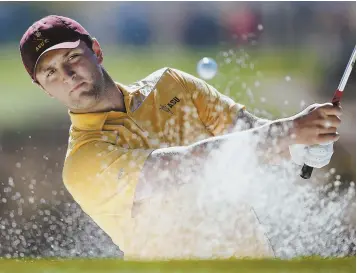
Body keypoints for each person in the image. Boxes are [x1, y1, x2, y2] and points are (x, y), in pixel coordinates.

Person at [20, 15, 342, 259]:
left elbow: (250, 138)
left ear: (96, 51)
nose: (67, 76)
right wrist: (287, 132)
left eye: (72, 58)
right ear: (43, 89)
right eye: (50, 73)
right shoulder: (82, 163)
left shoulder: (172, 84)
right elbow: (181, 166)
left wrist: (300, 147)